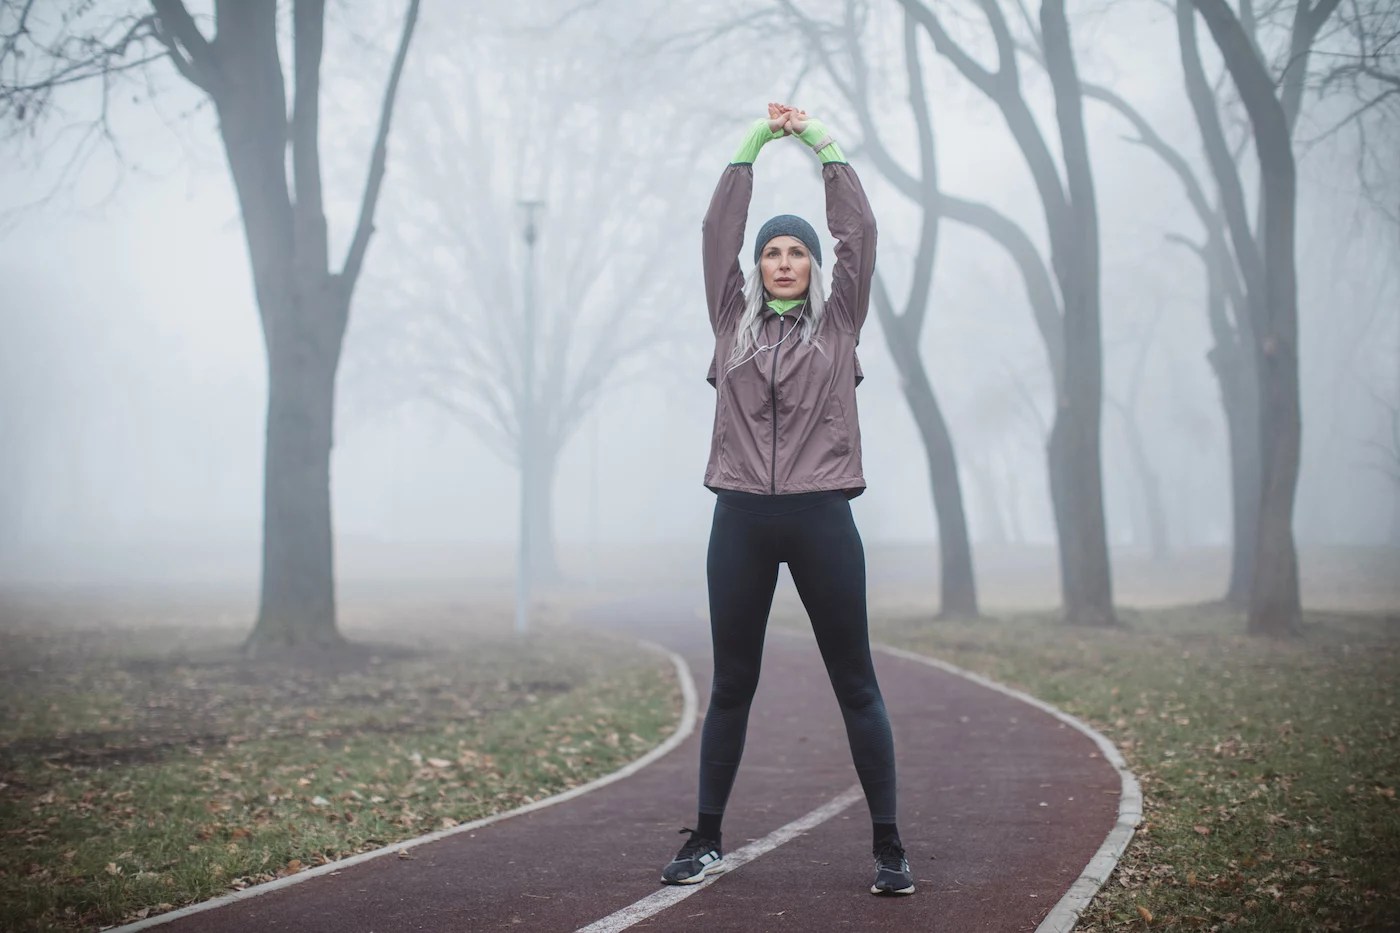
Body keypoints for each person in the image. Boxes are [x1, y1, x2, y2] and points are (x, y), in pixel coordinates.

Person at [660, 103, 913, 897]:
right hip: (737, 515)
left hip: (820, 516)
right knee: (732, 682)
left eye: (794, 251)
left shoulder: (840, 325)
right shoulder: (728, 320)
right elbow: (713, 236)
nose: (779, 261)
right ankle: (705, 838)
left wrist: (821, 145)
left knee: (856, 682)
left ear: (812, 266)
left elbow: (860, 235)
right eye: (770, 251)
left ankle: (890, 847)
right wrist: (750, 148)